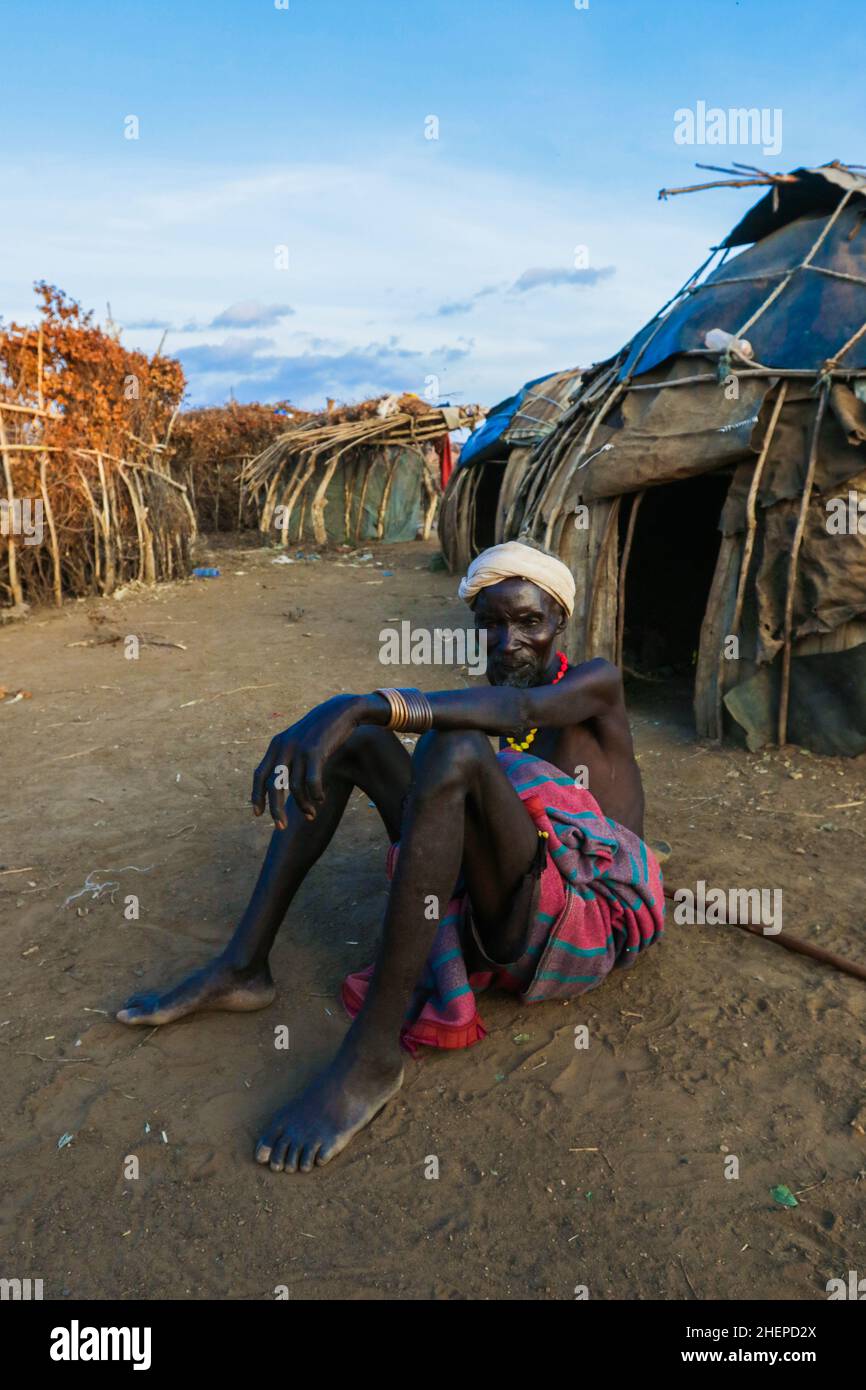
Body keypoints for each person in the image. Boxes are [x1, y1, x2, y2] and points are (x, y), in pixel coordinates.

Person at [117, 540, 664, 1172]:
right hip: (506, 901)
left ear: (560, 623)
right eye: (490, 624)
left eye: (528, 623)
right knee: (366, 744)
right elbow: (490, 717)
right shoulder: (487, 707)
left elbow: (522, 707)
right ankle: (244, 965)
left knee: (450, 746)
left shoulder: (596, 685)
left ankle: (373, 1055)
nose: (507, 641)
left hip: (580, 921)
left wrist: (356, 702)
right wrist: (349, 720)